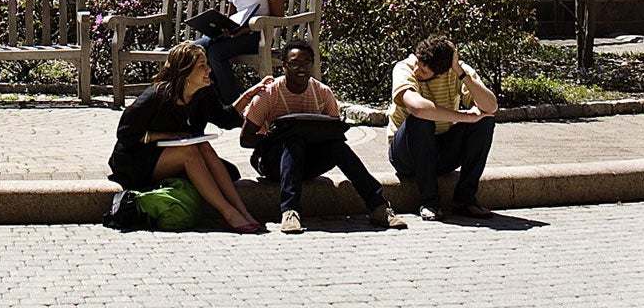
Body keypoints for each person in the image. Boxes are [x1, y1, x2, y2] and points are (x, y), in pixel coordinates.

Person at [235, 39, 402, 233]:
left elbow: (335, 134)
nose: (301, 68)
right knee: (294, 141)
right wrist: (274, 137)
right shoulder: (269, 94)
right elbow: (245, 139)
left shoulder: (322, 93)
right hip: (273, 163)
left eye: (306, 63)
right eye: (295, 63)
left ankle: (378, 206)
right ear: (284, 66)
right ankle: (289, 211)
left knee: (338, 147)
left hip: (308, 162)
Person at [109, 42, 267, 233]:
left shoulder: (204, 92)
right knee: (189, 151)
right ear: (185, 73)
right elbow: (125, 134)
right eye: (202, 66)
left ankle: (243, 211)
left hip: (175, 154)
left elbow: (226, 118)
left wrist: (251, 94)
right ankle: (229, 214)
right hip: (137, 159)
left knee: (205, 147)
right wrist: (166, 136)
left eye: (207, 64)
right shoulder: (156, 96)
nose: (209, 69)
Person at [387, 31, 499, 220]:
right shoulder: (404, 67)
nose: (417, 72)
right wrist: (465, 116)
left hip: (442, 151)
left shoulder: (456, 71)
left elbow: (491, 106)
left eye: (423, 71)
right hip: (406, 154)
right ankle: (429, 201)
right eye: (418, 65)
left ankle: (466, 200)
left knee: (485, 120)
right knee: (420, 119)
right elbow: (418, 108)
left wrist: (461, 73)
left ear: (440, 72)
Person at [200, 0, 288, 99]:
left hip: (260, 36)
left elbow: (278, 17)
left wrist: (246, 29)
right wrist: (225, 29)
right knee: (195, 49)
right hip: (237, 35)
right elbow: (232, 15)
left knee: (215, 53)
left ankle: (233, 104)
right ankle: (211, 100)